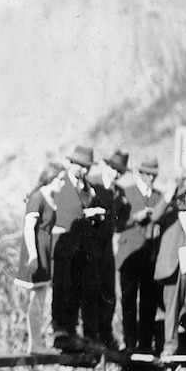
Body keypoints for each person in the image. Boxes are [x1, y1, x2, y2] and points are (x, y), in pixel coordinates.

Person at [51, 145, 105, 352]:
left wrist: (95, 216)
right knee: (61, 288)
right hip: (64, 243)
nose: (84, 170)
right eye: (80, 166)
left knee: (76, 289)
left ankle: (72, 332)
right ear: (71, 163)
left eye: (87, 167)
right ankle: (60, 332)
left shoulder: (87, 188)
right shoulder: (59, 183)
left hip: (82, 246)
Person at [14, 161, 66, 354]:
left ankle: (37, 343)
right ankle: (35, 344)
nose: (62, 184)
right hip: (35, 252)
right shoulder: (38, 197)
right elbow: (29, 227)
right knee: (36, 298)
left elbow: (46, 227)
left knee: (40, 297)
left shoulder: (49, 197)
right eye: (60, 180)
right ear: (51, 178)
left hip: (44, 251)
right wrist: (34, 256)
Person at [116, 157, 164, 354]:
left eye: (154, 175)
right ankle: (129, 343)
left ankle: (145, 344)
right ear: (140, 174)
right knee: (128, 300)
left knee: (148, 301)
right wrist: (135, 217)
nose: (151, 178)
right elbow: (117, 223)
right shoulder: (126, 192)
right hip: (129, 255)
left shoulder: (159, 197)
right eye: (147, 174)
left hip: (150, 256)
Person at [154, 180, 186, 356]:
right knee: (172, 310)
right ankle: (169, 347)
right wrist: (167, 196)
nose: (183, 200)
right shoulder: (167, 214)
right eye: (180, 196)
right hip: (172, 269)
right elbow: (154, 216)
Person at [88, 150, 129, 350]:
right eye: (113, 169)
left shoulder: (119, 192)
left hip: (107, 246)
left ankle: (106, 334)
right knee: (92, 289)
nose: (115, 174)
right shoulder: (92, 184)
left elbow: (121, 220)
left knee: (108, 291)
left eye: (119, 172)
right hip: (91, 244)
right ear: (106, 167)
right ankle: (93, 335)